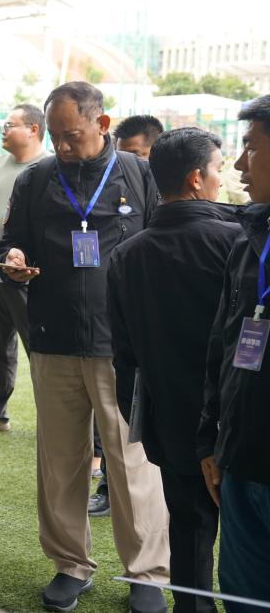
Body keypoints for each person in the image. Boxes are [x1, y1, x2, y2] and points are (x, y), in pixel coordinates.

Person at [0, 81, 169, 613]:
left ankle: (146, 573)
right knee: (61, 461)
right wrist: (14, 257)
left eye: (71, 135)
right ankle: (70, 564)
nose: (62, 146)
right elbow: (10, 240)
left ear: (102, 123)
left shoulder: (140, 174)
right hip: (54, 339)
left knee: (132, 461)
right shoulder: (36, 178)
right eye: (55, 136)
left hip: (123, 344)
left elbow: (164, 243)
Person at [108, 127, 235, 613]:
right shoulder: (238, 242)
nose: (223, 179)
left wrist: (147, 421)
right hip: (236, 421)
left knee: (188, 531)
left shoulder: (126, 255)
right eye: (219, 169)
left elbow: (124, 357)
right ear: (196, 178)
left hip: (170, 423)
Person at [199, 95, 270, 612]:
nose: (239, 164)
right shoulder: (249, 241)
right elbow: (223, 346)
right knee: (243, 599)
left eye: (252, 148)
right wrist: (212, 439)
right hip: (241, 461)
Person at [91, 114, 165, 518]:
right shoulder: (116, 185)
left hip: (153, 318)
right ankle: (107, 485)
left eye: (138, 154)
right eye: (125, 154)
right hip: (114, 322)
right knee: (118, 412)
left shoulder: (165, 195)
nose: (131, 162)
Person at [0, 104, 45, 433]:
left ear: (33, 130)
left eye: (10, 125)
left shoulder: (47, 169)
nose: (3, 130)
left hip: (26, 278)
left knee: (40, 349)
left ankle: (55, 413)